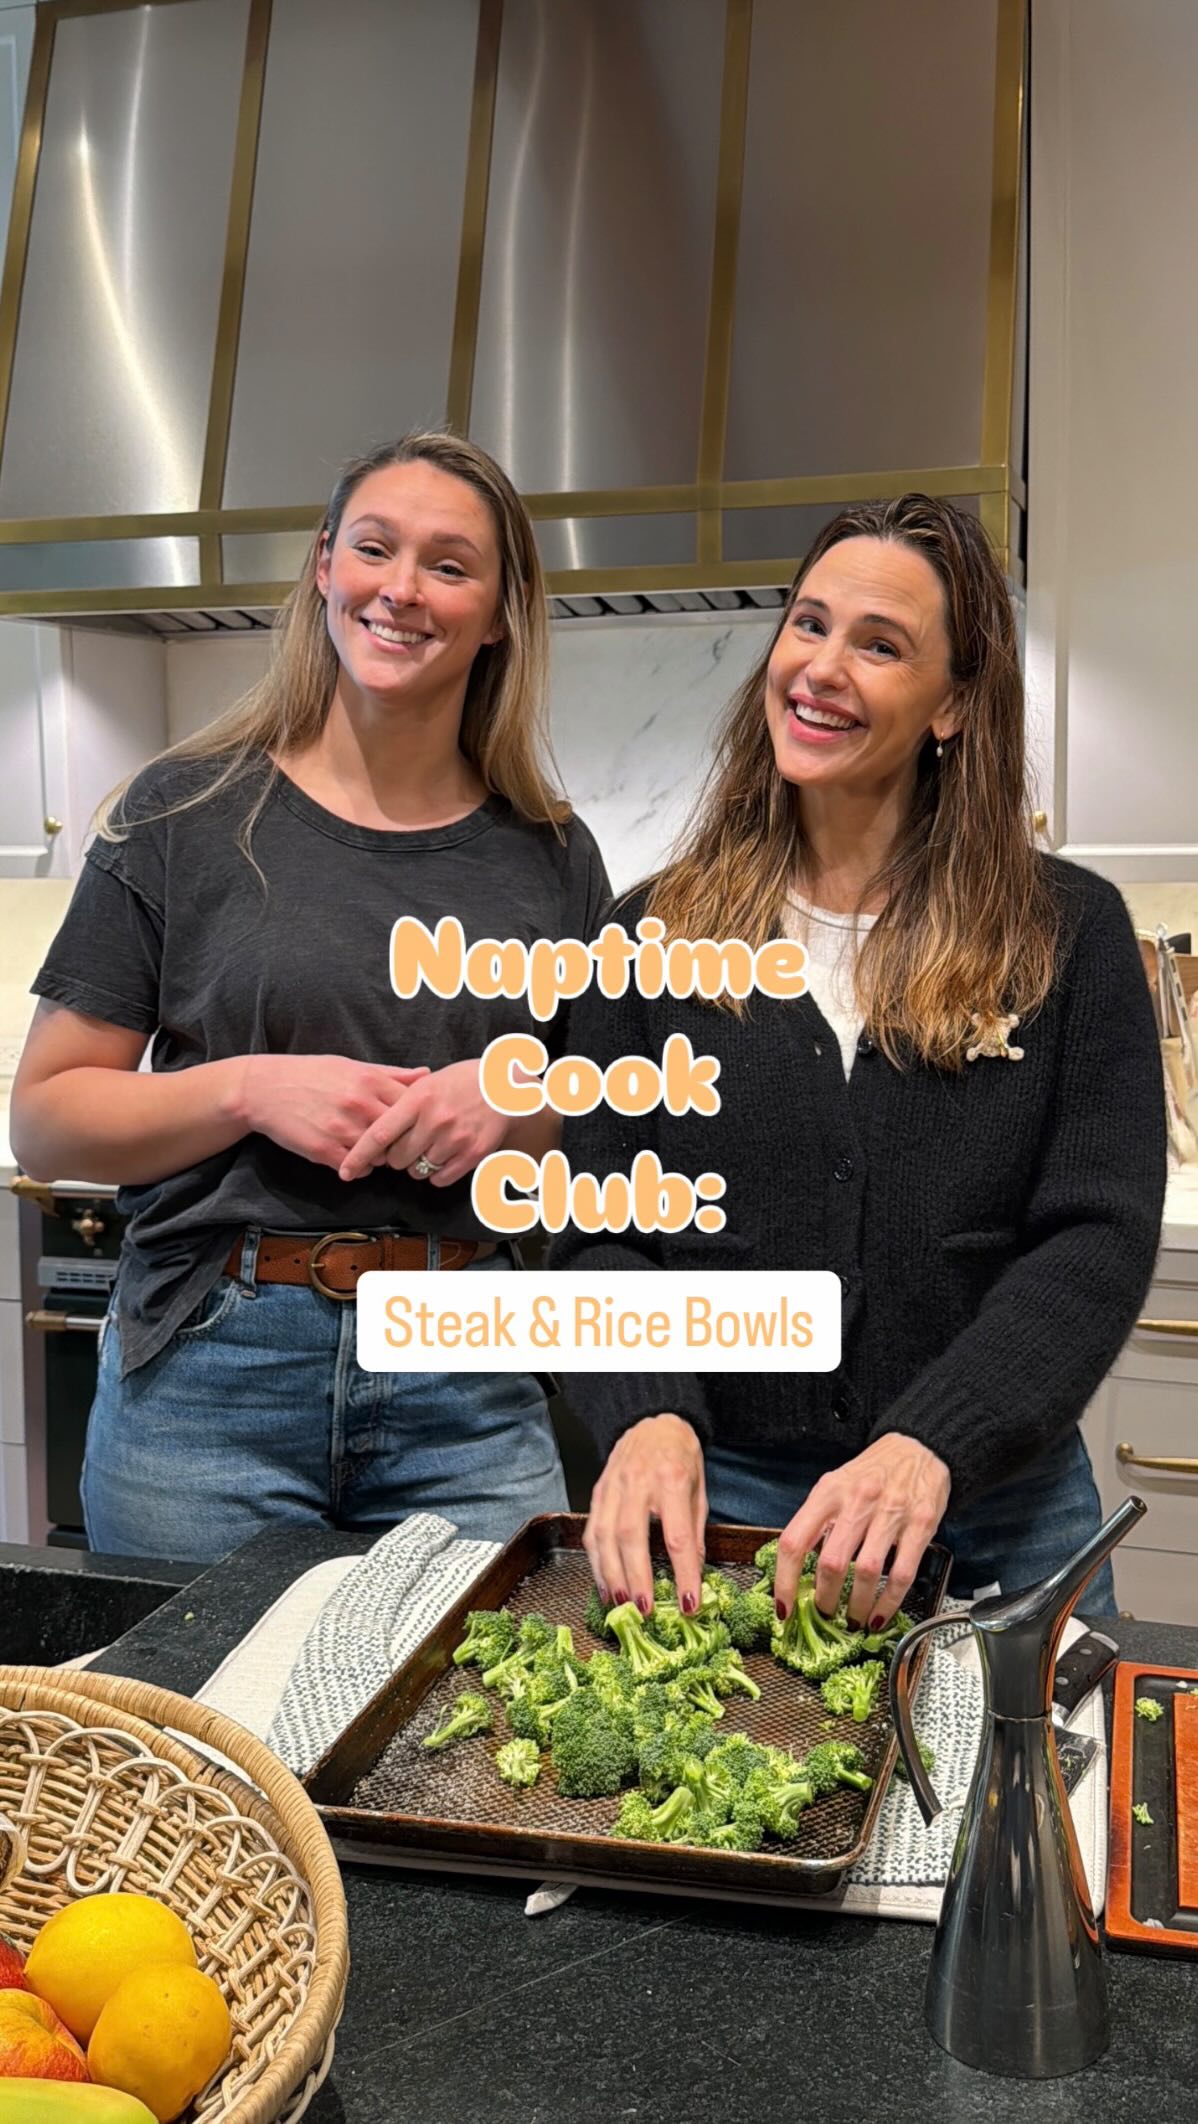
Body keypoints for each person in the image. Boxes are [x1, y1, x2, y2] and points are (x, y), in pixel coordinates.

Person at [549, 495, 1165, 1629]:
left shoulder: (1065, 935)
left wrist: (935, 1440)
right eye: (809, 623)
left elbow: (1094, 1238)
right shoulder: (647, 938)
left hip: (996, 1512)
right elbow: (598, 1225)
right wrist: (645, 1409)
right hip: (729, 1509)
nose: (822, 668)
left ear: (954, 704)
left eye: (880, 645)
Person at [12, 431, 609, 1562]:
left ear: (499, 614)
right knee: (199, 1686)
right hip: (209, 1379)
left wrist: (517, 1101)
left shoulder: (553, 856)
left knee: (480, 1685)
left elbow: (609, 1124)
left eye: (449, 565)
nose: (402, 589)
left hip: (468, 1374)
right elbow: (46, 1119)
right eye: (375, 549)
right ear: (325, 567)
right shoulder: (181, 814)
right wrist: (246, 1089)